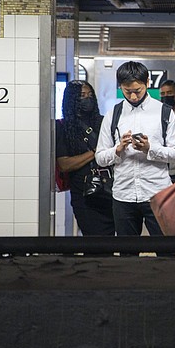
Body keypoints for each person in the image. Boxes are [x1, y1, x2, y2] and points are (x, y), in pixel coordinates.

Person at [95, 61, 175, 237]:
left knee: (166, 251)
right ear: (120, 87)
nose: (133, 96)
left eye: (138, 90)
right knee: (127, 255)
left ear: (147, 83)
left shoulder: (164, 112)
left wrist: (150, 148)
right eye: (128, 92)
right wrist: (117, 150)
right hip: (123, 195)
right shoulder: (113, 114)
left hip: (157, 194)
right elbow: (100, 157)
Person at [55, 80, 115, 236]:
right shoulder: (63, 127)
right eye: (82, 96)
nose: (87, 99)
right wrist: (96, 152)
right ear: (72, 99)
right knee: (93, 237)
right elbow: (65, 165)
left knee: (110, 239)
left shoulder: (103, 122)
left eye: (90, 95)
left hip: (109, 190)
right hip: (84, 195)